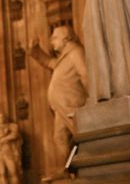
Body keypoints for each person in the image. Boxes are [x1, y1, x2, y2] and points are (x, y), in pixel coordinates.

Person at [31, 26, 88, 173]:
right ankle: (68, 168)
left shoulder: (76, 52)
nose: (51, 41)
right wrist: (35, 50)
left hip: (72, 104)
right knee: (60, 138)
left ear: (66, 38)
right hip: (61, 107)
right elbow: (49, 63)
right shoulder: (65, 56)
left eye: (55, 37)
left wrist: (92, 98)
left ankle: (86, 164)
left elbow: (85, 74)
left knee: (81, 136)